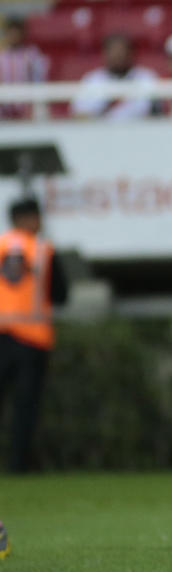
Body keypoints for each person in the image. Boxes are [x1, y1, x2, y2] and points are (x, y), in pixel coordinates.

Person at [0, 198, 68, 474]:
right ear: (29, 218)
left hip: (1, 336)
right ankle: (18, 466)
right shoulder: (42, 249)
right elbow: (60, 294)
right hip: (33, 339)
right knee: (25, 408)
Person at [70, 33, 160, 121]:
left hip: (140, 132)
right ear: (104, 53)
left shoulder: (146, 78)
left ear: (131, 53)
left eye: (122, 50)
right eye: (113, 51)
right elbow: (79, 116)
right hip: (100, 133)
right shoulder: (92, 80)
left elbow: (158, 115)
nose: (118, 55)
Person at [0, 17, 49, 120]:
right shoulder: (2, 56)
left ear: (23, 34)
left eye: (16, 33)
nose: (14, 36)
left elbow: (39, 80)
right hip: (4, 108)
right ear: (6, 34)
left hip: (26, 106)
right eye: (11, 33)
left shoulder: (32, 55)